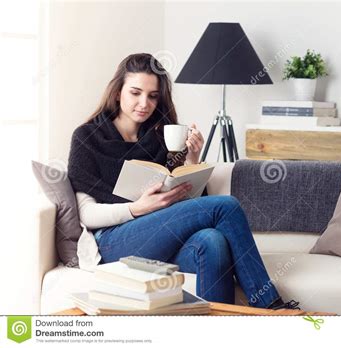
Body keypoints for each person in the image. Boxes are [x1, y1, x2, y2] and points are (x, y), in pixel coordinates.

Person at [67, 53, 299, 310]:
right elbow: (86, 214)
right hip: (111, 241)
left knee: (212, 241)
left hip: (161, 237)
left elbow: (189, 204)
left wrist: (192, 160)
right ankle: (272, 307)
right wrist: (137, 208)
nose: (144, 103)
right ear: (117, 91)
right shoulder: (87, 137)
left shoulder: (162, 137)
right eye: (135, 93)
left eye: (153, 96)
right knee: (225, 206)